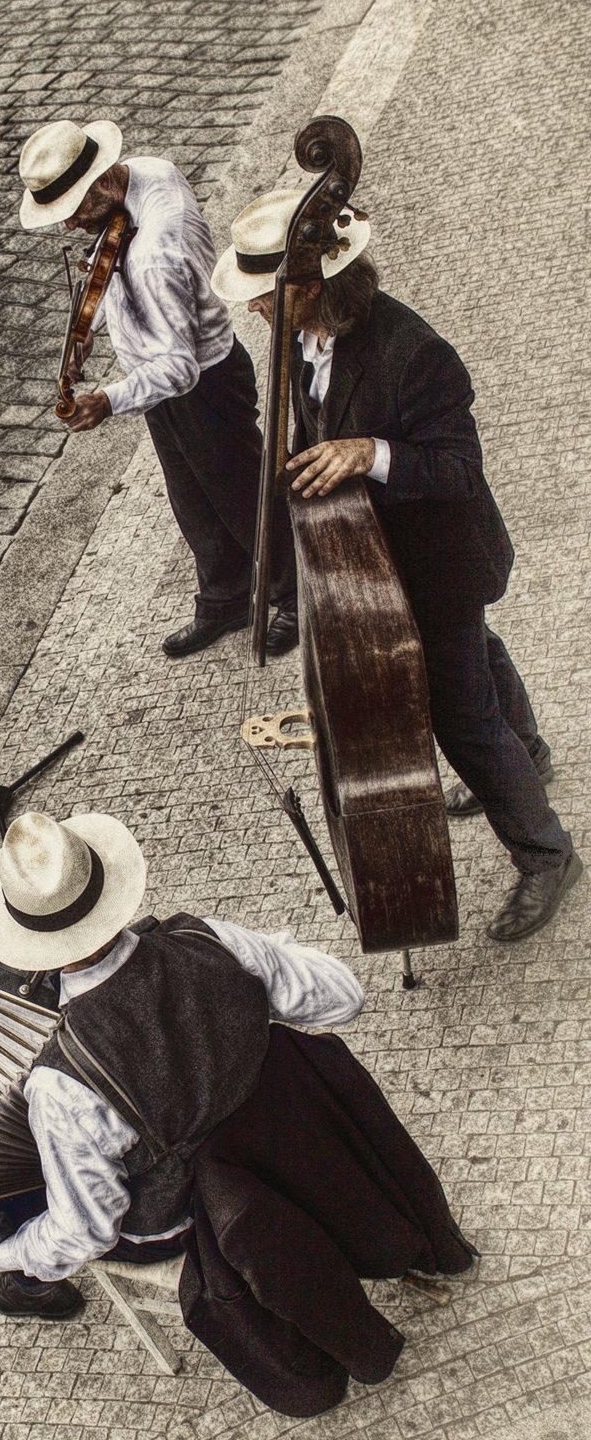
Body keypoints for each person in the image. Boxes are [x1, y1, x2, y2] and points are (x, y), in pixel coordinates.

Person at [0, 810, 476, 1418]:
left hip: (202, 1213)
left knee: (19, 1221)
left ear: (34, 950)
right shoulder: (209, 941)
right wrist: (259, 968)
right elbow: (342, 998)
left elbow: (91, 1230)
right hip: (300, 1139)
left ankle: (14, 1285)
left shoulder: (60, 1087)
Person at [211, 186, 582, 943]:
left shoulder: (414, 354)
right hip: (382, 559)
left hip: (440, 560)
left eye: (262, 297)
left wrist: (367, 453)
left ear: (311, 287)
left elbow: (456, 469)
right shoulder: (298, 334)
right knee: (472, 659)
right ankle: (532, 751)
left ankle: (547, 853)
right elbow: (306, 411)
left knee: (459, 716)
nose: (253, 310)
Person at [16, 118, 298, 659]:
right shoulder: (147, 172)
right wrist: (90, 325)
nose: (72, 227)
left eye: (72, 212)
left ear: (100, 183)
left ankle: (294, 596)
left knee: (242, 497)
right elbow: (109, 260)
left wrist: (108, 399)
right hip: (171, 385)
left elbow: (179, 367)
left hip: (201, 387)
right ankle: (226, 598)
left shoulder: (155, 256)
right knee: (192, 497)